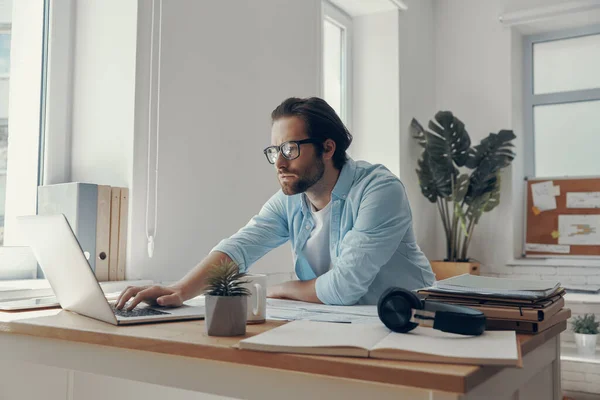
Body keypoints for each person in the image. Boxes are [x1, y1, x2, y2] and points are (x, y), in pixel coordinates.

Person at [116, 97, 434, 311]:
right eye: (274, 150)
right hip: (334, 323)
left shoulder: (379, 191)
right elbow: (239, 248)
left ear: (327, 147)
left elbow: (344, 287)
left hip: (407, 322)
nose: (279, 162)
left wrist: (279, 288)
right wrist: (181, 290)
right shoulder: (291, 201)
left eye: (290, 149)